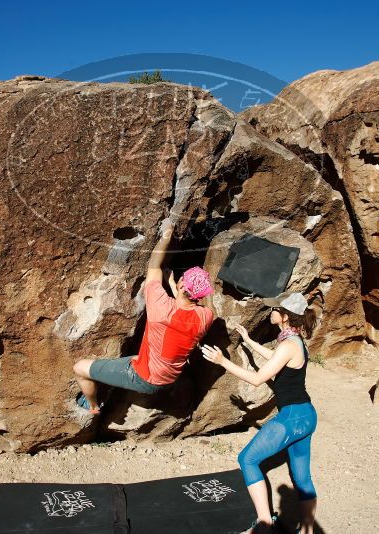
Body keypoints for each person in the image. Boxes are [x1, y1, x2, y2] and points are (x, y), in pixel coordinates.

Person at [200, 291, 317, 534]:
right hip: (306, 416)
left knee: (248, 459)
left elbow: (257, 379)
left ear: (285, 316)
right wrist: (250, 342)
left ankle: (265, 524)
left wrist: (223, 362)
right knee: (301, 477)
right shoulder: (294, 341)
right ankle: (307, 529)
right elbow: (277, 358)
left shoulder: (288, 345)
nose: (271, 312)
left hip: (293, 416)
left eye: (275, 310)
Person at [73, 219, 214, 414]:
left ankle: (93, 406)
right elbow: (185, 307)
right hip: (169, 376)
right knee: (124, 362)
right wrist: (173, 285)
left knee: (80, 368)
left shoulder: (159, 307)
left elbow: (154, 265)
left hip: (144, 377)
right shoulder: (206, 316)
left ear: (182, 284)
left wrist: (167, 234)